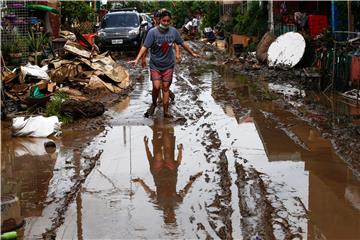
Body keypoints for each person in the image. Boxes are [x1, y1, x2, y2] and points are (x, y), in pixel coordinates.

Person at [129, 9, 199, 118]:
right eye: (164, 20)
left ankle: (166, 112)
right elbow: (145, 47)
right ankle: (154, 104)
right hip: (155, 65)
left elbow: (181, 43)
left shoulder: (173, 32)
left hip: (168, 65)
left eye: (168, 21)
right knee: (156, 87)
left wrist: (192, 53)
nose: (165, 23)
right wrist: (138, 59)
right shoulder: (152, 32)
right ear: (159, 20)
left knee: (165, 87)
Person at [132, 120, 202, 224]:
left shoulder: (158, 204)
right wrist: (192, 180)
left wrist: (141, 182)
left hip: (158, 173)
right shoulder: (177, 202)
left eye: (170, 216)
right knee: (169, 156)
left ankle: (158, 136)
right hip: (170, 173)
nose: (171, 214)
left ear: (165, 216)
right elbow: (185, 191)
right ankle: (165, 132)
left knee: (158, 157)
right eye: (173, 216)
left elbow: (150, 193)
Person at [141, 10, 179, 104]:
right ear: (155, 19)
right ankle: (160, 98)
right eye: (157, 18)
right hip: (155, 61)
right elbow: (144, 46)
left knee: (164, 82)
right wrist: (143, 58)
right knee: (157, 83)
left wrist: (177, 53)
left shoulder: (168, 30)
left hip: (167, 60)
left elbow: (175, 41)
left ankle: (166, 94)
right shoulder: (150, 31)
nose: (159, 20)